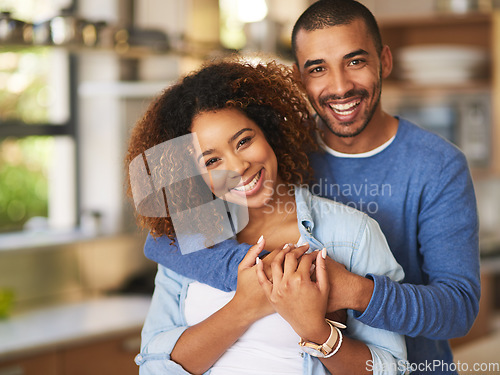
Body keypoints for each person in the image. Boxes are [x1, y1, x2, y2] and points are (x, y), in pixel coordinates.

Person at [143, 1, 481, 374]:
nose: (339, 86)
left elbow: (459, 309)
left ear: (384, 61)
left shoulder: (438, 165)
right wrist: (265, 276)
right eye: (318, 68)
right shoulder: (273, 149)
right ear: (298, 77)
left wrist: (349, 289)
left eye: (355, 61)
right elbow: (161, 239)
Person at [127, 60, 407, 374]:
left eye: (244, 141)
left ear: (269, 131)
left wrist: (318, 332)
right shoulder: (190, 239)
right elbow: (153, 366)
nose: (238, 167)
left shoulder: (353, 234)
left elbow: (392, 369)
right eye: (212, 160)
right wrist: (243, 307)